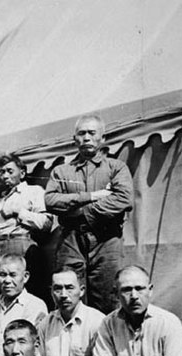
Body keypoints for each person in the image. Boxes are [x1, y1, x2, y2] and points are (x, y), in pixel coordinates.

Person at [44, 115, 134, 314]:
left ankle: (106, 343)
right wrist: (92, 196)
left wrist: (80, 210)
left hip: (107, 238)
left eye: (92, 133)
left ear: (102, 138)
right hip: (70, 240)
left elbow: (124, 199)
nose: (86, 138)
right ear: (74, 139)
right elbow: (50, 201)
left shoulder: (116, 167)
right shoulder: (61, 171)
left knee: (108, 297)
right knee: (68, 293)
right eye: (81, 133)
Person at [0, 153, 53, 298]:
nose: (5, 176)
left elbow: (46, 223)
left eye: (9, 171)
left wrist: (19, 212)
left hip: (20, 243)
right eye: (1, 172)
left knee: (24, 288)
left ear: (22, 172)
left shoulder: (34, 191)